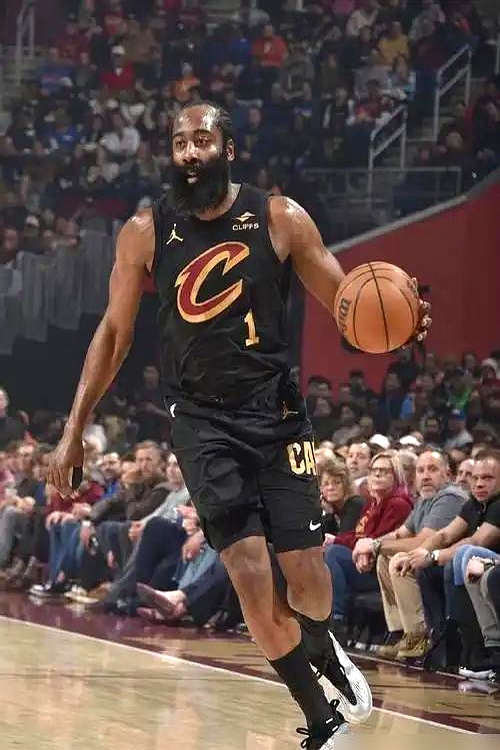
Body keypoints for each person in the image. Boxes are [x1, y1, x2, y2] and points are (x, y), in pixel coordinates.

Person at [46, 101, 430, 750]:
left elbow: (348, 307)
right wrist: (73, 428)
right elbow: (113, 334)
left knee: (306, 575)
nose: (189, 152)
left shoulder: (281, 218)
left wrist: (400, 323)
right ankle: (322, 719)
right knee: (250, 572)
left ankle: (321, 645)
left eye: (202, 140)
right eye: (179, 143)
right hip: (201, 422)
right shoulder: (144, 232)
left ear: (228, 150)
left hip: (276, 415)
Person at [353, 450, 467, 660]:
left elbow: (423, 541)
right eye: (420, 470)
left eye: (432, 470)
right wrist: (369, 546)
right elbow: (400, 533)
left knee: (399, 558)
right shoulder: (425, 499)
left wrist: (374, 545)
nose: (425, 476)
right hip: (432, 560)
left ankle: (419, 635)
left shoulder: (450, 497)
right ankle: (402, 633)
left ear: (448, 475)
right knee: (385, 559)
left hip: (448, 561)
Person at [324, 451, 413, 643]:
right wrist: (336, 539)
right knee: (327, 553)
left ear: (396, 476)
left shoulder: (398, 504)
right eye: (374, 470)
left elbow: (376, 540)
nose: (377, 474)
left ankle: (337, 620)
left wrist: (347, 544)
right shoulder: (373, 504)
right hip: (365, 562)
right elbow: (360, 537)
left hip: (383, 569)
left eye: (384, 471)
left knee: (334, 554)